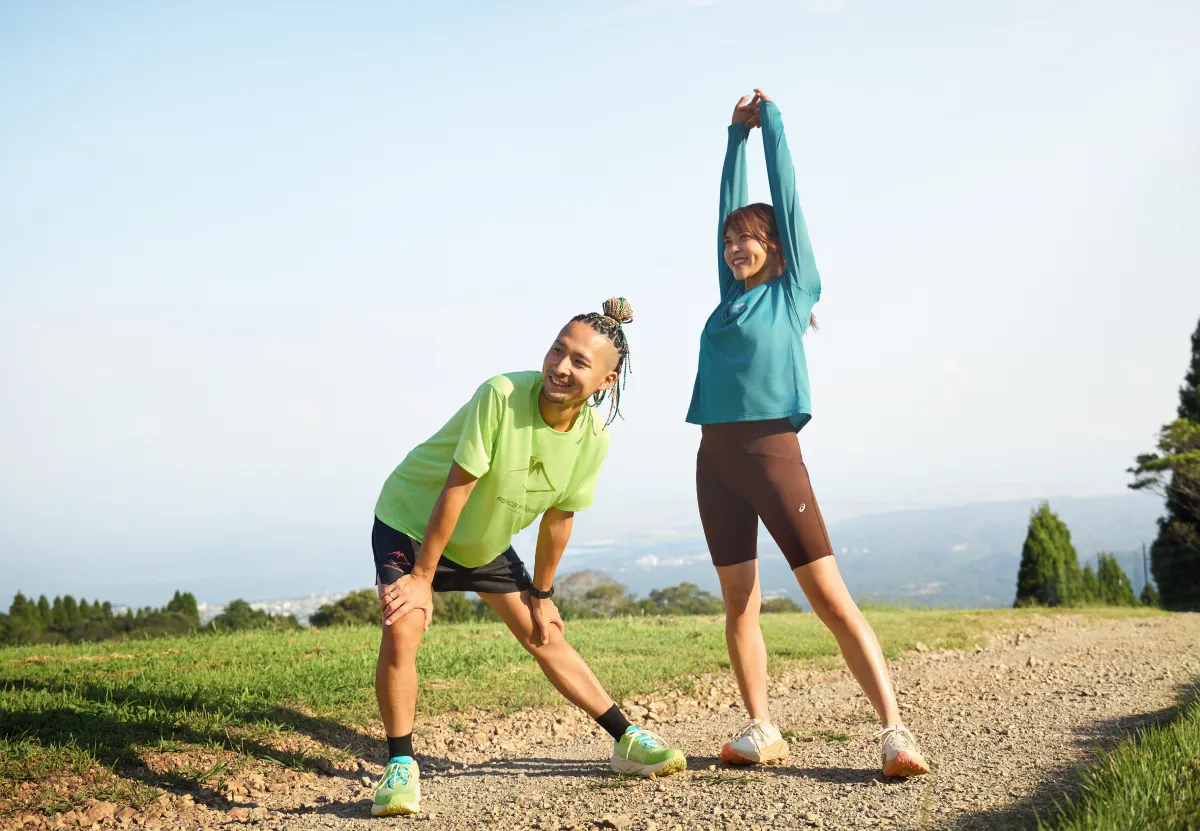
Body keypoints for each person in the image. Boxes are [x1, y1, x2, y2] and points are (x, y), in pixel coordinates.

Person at [687, 91, 930, 778]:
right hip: (715, 459)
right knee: (740, 604)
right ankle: (762, 726)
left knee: (829, 597)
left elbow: (787, 200)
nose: (735, 246)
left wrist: (769, 131)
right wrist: (731, 140)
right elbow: (725, 211)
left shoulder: (793, 292)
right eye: (730, 239)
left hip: (772, 455)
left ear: (775, 246)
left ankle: (895, 730)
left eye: (747, 237)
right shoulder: (731, 297)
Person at [368, 298, 686, 817]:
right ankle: (400, 766)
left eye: (580, 362)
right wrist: (422, 576)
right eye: (557, 350)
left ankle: (625, 738)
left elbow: (559, 518)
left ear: (605, 381)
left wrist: (542, 595)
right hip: (413, 520)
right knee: (405, 625)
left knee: (546, 634)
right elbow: (458, 486)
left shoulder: (593, 440)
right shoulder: (501, 394)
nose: (561, 367)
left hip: (483, 540)